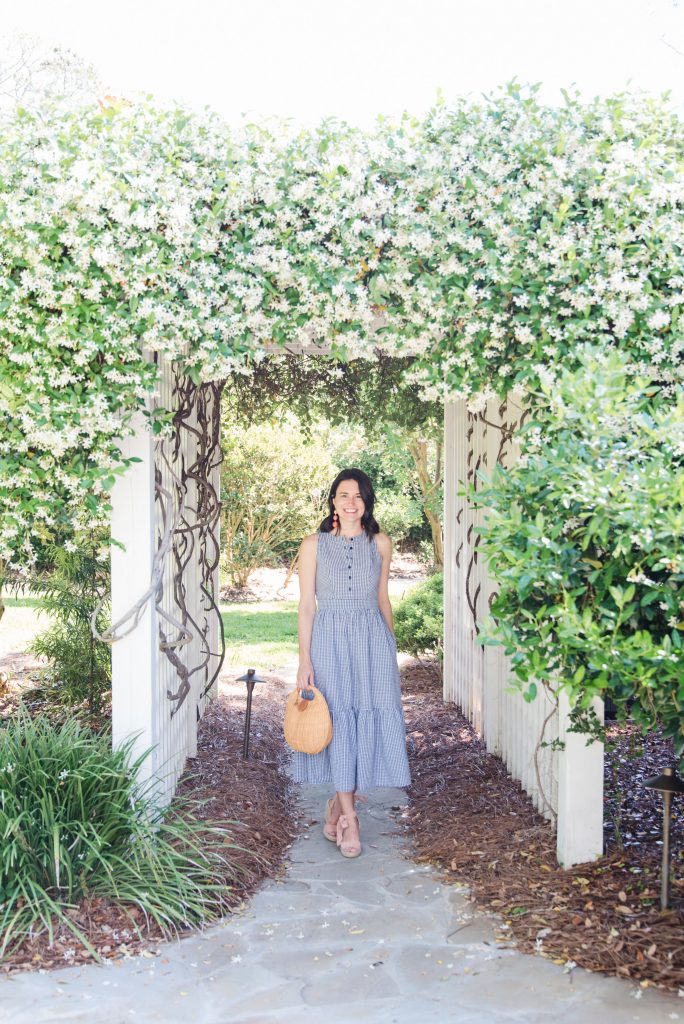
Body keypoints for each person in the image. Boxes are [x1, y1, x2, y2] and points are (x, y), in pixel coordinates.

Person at [292, 467, 411, 858]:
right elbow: (307, 606)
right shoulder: (314, 544)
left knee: (365, 719)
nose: (351, 502)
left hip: (371, 642)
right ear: (333, 501)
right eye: (344, 495)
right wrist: (304, 659)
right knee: (339, 720)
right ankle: (350, 819)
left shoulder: (380, 544)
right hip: (329, 640)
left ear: (366, 503)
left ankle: (338, 805)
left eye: (359, 496)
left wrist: (390, 651)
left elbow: (383, 600)